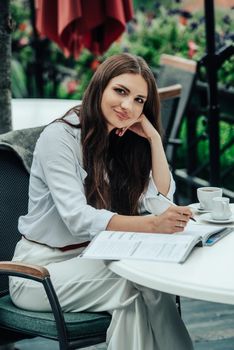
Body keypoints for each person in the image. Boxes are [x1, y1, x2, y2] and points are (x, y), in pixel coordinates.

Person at [10, 53, 194, 350]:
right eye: (120, 91)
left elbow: (161, 200)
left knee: (144, 283)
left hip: (92, 259)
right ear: (100, 87)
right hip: (38, 274)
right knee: (135, 285)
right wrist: (151, 225)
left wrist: (153, 139)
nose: (127, 106)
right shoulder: (59, 137)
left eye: (138, 100)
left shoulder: (122, 140)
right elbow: (77, 218)